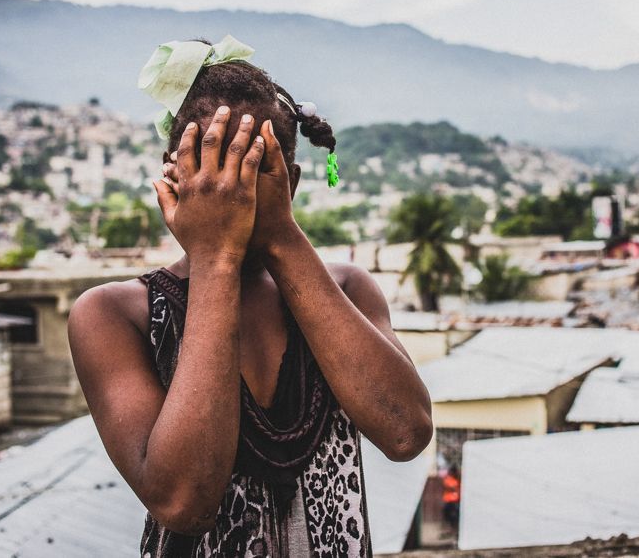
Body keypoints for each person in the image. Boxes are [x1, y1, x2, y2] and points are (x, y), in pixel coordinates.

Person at [67, 35, 433, 557]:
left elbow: (406, 433)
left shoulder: (347, 289)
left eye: (251, 170)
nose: (231, 191)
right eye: (211, 169)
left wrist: (282, 236)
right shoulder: (112, 315)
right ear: (175, 179)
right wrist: (216, 257)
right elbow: (184, 503)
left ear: (290, 182)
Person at [441, 465, 461, 532]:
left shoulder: (457, 479)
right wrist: (456, 489)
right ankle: (450, 528)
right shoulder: (448, 479)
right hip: (449, 501)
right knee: (448, 515)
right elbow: (449, 487)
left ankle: (455, 529)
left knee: (456, 516)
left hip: (456, 501)